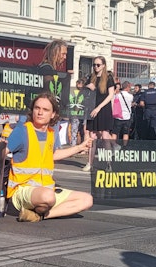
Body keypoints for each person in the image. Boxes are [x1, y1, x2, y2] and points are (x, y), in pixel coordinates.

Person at [6, 92, 93, 222]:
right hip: (22, 190)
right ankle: (39, 210)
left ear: (53, 114)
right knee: (48, 197)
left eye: (45, 109)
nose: (40, 112)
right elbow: (2, 152)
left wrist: (79, 147)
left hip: (47, 189)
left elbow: (53, 155)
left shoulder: (51, 133)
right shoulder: (22, 131)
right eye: (37, 108)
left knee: (87, 200)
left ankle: (40, 215)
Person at [111, 81, 133, 148]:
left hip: (118, 116)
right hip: (127, 117)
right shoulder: (130, 96)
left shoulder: (117, 95)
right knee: (126, 133)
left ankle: (114, 145)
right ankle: (124, 146)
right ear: (127, 87)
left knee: (114, 132)